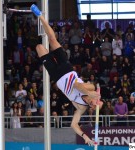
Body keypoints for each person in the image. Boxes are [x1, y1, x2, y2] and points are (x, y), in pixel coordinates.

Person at [30, 4, 103, 145]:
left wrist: (86, 137)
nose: (91, 105)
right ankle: (40, 16)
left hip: (56, 75)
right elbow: (76, 84)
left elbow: (73, 125)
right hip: (67, 68)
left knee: (39, 47)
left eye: (93, 107)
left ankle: (37, 30)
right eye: (94, 103)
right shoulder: (92, 87)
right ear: (96, 100)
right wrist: (91, 93)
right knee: (52, 40)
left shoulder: (81, 107)